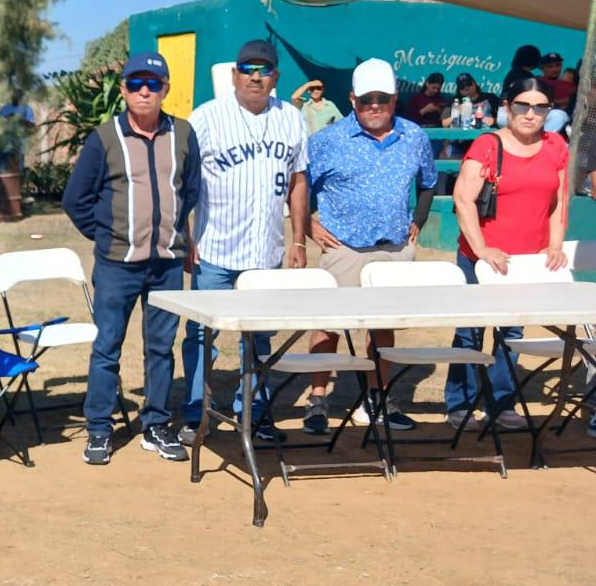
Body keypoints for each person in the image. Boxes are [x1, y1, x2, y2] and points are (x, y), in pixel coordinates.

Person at [63, 51, 201, 466]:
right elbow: (76, 200)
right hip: (117, 264)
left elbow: (189, 191)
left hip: (166, 264)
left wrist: (177, 236)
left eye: (153, 84)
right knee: (107, 346)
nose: (145, 91)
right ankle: (100, 430)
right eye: (136, 84)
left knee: (161, 348)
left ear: (166, 90)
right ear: (123, 90)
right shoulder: (104, 137)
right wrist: (108, 235)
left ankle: (156, 424)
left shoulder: (183, 133)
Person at [180, 39, 308, 445]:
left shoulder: (291, 118)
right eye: (248, 68)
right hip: (215, 246)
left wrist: (299, 240)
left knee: (260, 336)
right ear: (234, 74)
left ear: (276, 77)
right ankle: (195, 413)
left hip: (265, 252)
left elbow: (299, 180)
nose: (256, 76)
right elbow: (182, 180)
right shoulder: (206, 117)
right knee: (202, 334)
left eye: (264, 69)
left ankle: (254, 410)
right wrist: (185, 235)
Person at [301, 58, 438, 433]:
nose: (374, 105)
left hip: (394, 248)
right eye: (365, 100)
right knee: (328, 326)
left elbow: (429, 182)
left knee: (382, 327)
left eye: (381, 98)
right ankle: (317, 401)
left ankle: (378, 399)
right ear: (352, 100)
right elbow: (298, 187)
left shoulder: (415, 137)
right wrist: (310, 225)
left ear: (394, 99)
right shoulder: (326, 141)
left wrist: (418, 220)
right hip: (343, 248)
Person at [444, 75, 568, 430]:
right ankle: (460, 403)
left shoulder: (556, 146)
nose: (530, 114)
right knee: (470, 331)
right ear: (507, 107)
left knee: (510, 334)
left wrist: (555, 244)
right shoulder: (487, 145)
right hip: (481, 259)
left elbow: (559, 202)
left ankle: (502, 403)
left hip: (525, 262)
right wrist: (483, 250)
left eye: (540, 107)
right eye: (522, 105)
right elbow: (463, 198)